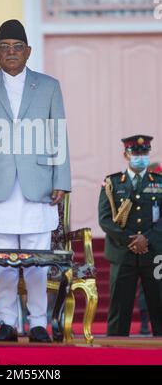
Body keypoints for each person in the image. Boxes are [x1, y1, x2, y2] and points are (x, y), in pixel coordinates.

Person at [0, 19, 71, 342]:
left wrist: (61, 179)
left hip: (38, 184)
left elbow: (59, 136)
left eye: (17, 47)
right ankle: (7, 323)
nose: (11, 53)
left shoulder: (49, 86)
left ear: (28, 52)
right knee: (3, 262)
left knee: (38, 261)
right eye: (5, 48)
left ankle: (38, 323)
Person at [99, 135, 162, 336]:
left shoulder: (159, 182)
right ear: (126, 155)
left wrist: (147, 239)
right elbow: (105, 219)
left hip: (154, 254)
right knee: (119, 307)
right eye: (135, 153)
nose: (140, 157)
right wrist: (130, 240)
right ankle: (116, 352)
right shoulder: (112, 183)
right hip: (122, 254)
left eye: (144, 153)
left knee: (159, 304)